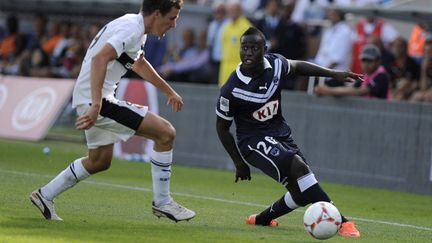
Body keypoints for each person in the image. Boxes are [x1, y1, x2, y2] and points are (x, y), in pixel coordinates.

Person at [30, 0, 195, 222]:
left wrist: (169, 91)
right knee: (166, 133)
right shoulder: (132, 29)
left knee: (99, 160)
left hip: (90, 98)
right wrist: (97, 105)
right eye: (172, 18)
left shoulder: (134, 25)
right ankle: (163, 202)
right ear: (157, 13)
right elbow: (100, 59)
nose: (174, 24)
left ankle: (45, 194)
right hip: (97, 101)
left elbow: (139, 64)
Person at [215, 27, 361, 238]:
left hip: (279, 133)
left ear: (264, 50)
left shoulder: (275, 64)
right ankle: (343, 222)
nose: (248, 53)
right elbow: (222, 128)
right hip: (252, 141)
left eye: (254, 48)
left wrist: (332, 74)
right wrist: (239, 162)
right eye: (244, 48)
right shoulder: (231, 89)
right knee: (300, 170)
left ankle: (262, 219)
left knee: (301, 192)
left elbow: (298, 66)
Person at [315, 44, 391, 100]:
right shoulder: (365, 76)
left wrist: (328, 90)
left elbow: (359, 91)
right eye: (364, 60)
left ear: (378, 61)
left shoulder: (381, 76)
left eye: (370, 61)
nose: (366, 64)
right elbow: (351, 89)